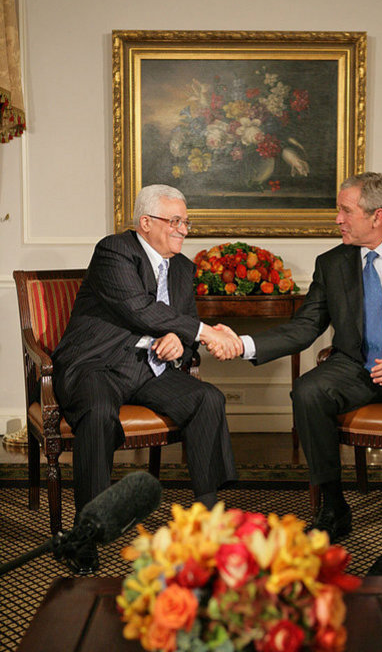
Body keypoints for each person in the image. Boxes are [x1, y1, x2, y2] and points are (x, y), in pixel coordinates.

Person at [211, 172, 382, 576]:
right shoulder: (331, 263)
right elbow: (305, 326)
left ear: (377, 215)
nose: (338, 220)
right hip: (356, 363)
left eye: (346, 211)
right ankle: (333, 506)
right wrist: (245, 344)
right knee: (308, 391)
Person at [53, 184, 241, 571]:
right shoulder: (114, 252)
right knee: (100, 411)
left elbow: (180, 332)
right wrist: (204, 333)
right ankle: (84, 534)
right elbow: (140, 309)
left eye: (186, 222)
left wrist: (180, 343)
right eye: (175, 221)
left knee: (209, 399)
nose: (184, 230)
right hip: (96, 364)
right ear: (145, 222)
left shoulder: (184, 268)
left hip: (148, 369)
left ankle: (209, 520)